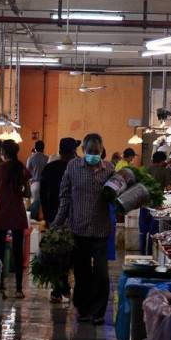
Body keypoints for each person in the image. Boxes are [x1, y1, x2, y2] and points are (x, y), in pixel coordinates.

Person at [52, 133, 115, 325]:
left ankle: (98, 312)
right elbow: (64, 196)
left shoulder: (109, 170)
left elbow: (119, 196)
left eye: (97, 152)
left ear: (102, 151)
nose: (94, 155)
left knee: (102, 274)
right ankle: (84, 309)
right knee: (82, 274)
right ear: (83, 151)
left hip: (101, 230)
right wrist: (57, 223)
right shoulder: (73, 167)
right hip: (78, 230)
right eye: (90, 152)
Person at [0, 140, 31, 299]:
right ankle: (19, 289)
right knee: (18, 251)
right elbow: (27, 193)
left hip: (1, 211)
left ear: (3, 153)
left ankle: (1, 288)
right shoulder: (22, 169)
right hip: (17, 212)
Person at [40, 137, 79, 303]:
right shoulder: (76, 168)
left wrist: (47, 216)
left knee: (56, 252)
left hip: (54, 218)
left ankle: (59, 289)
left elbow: (42, 194)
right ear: (72, 152)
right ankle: (64, 288)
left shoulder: (49, 168)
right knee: (69, 253)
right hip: (72, 218)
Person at [26, 140, 48, 216]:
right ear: (43, 148)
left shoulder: (31, 158)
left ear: (35, 148)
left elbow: (27, 172)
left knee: (34, 205)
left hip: (35, 184)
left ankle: (35, 222)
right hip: (45, 184)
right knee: (43, 205)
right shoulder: (47, 158)